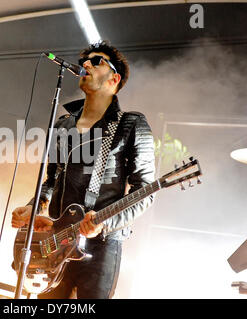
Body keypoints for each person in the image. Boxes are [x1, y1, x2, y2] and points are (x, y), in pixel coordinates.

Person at [11, 41, 155, 299]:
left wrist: (105, 222)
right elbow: (51, 180)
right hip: (56, 242)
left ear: (114, 78)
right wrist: (35, 207)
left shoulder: (131, 124)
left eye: (96, 61)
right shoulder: (63, 124)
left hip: (101, 245)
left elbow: (144, 191)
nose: (86, 64)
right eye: (84, 61)